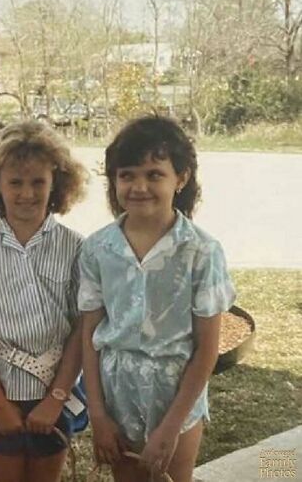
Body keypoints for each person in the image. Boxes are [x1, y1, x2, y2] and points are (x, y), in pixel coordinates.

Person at [79, 116, 236, 482]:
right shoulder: (98, 249)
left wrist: (170, 428)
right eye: (127, 174)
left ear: (180, 178)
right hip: (115, 397)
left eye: (154, 174)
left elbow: (206, 348)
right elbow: (89, 334)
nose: (139, 186)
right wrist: (99, 415)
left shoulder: (201, 251)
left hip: (175, 399)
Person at [0, 121, 88, 482]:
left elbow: (84, 328)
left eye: (38, 181)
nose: (27, 193)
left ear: (56, 182)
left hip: (55, 392)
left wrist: (55, 399)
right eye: (15, 183)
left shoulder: (76, 248)